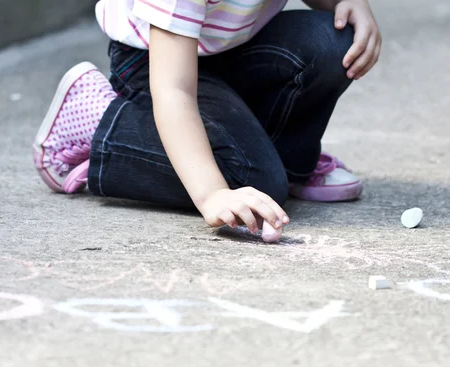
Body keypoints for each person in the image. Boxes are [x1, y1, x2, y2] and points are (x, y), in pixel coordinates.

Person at [33, 0, 381, 238]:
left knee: (335, 40)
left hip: (230, 48)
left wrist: (348, 3)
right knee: (250, 180)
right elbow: (173, 90)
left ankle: (287, 162)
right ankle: (103, 126)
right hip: (153, 63)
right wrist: (212, 193)